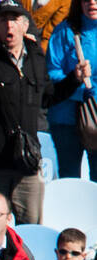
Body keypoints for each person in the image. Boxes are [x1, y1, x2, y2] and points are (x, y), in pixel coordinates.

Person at [0, 2, 85, 224]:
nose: (9, 26)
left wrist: (73, 79)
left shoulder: (37, 61)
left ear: (24, 25)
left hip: (26, 163)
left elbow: (48, 97)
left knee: (30, 227)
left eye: (14, 20)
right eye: (3, 20)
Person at [45, 0, 97, 180]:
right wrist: (77, 85)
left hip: (96, 117)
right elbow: (51, 72)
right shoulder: (64, 31)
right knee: (69, 179)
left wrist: (93, 91)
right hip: (66, 119)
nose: (92, 3)